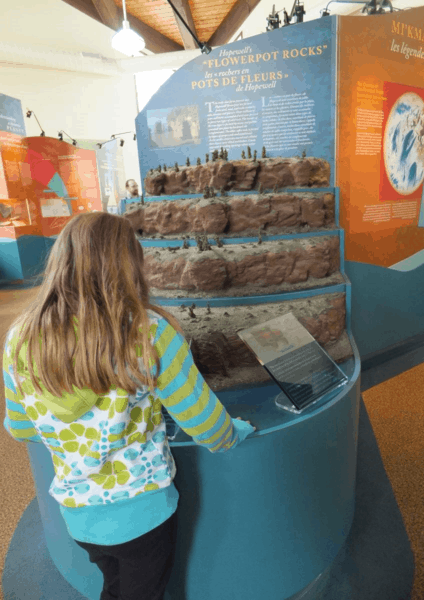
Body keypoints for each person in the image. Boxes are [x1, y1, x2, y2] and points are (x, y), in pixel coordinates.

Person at [3, 212, 255, 600]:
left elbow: (20, 428)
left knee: (116, 585)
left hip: (79, 514)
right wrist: (233, 434)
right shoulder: (149, 332)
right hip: (144, 513)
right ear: (130, 262)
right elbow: (206, 425)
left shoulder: (20, 337)